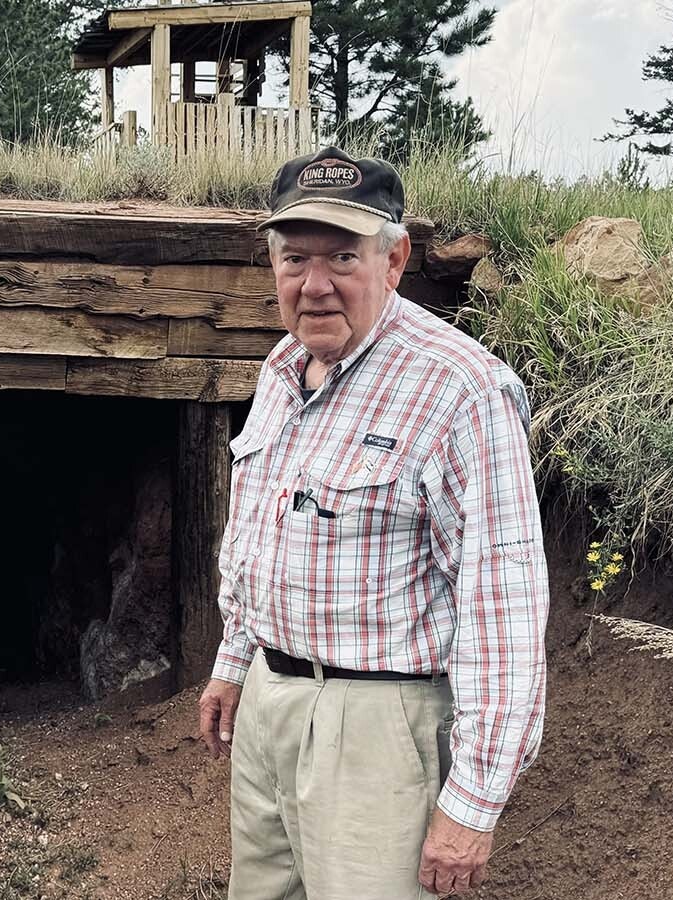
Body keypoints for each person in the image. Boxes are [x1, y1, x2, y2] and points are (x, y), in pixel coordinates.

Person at [196, 146, 550, 900]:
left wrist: (474, 803)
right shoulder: (282, 368)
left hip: (378, 733)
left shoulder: (461, 390)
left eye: (343, 258)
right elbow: (260, 531)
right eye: (295, 258)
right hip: (270, 703)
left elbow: (503, 604)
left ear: (394, 261)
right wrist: (237, 661)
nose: (314, 285)